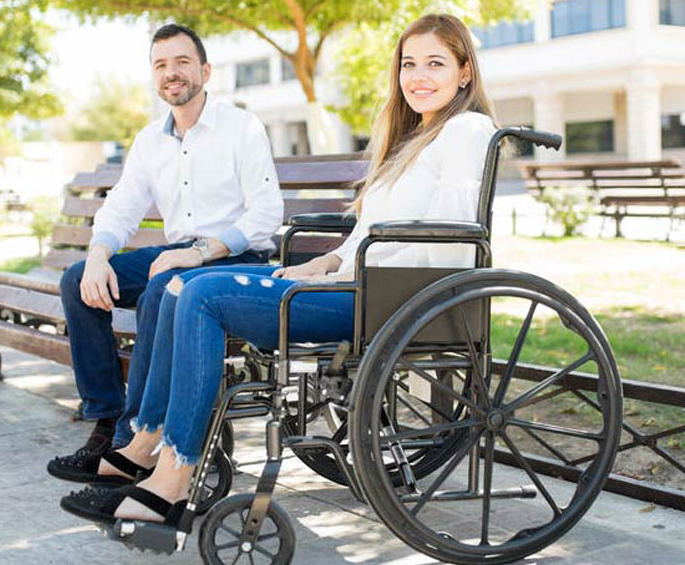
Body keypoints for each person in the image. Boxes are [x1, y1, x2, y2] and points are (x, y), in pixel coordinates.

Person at [60, 12, 498, 527]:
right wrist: (322, 263)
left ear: (464, 72)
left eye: (435, 64)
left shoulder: (468, 130)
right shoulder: (413, 139)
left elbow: (450, 243)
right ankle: (148, 442)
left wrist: (345, 272)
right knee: (178, 285)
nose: (418, 76)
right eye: (408, 64)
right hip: (356, 281)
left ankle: (172, 480)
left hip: (387, 297)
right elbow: (364, 235)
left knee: (200, 295)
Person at [47, 23, 283, 485]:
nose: (171, 73)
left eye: (181, 62)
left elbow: (267, 214)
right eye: (161, 65)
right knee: (77, 281)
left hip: (237, 257)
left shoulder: (241, 126)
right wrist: (98, 254)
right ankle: (108, 421)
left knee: (162, 285)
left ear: (205, 71)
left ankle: (136, 441)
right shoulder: (149, 140)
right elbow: (120, 208)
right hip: (180, 253)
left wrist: (199, 252)